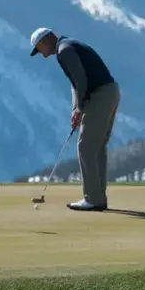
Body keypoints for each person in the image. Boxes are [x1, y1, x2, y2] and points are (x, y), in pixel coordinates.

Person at [30, 27, 120, 211]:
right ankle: (98, 197)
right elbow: (75, 84)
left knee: (85, 146)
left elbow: (81, 80)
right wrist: (75, 109)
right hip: (110, 91)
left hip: (101, 94)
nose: (41, 54)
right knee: (96, 146)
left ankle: (93, 199)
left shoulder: (64, 51)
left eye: (39, 49)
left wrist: (80, 108)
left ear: (46, 40)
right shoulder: (67, 46)